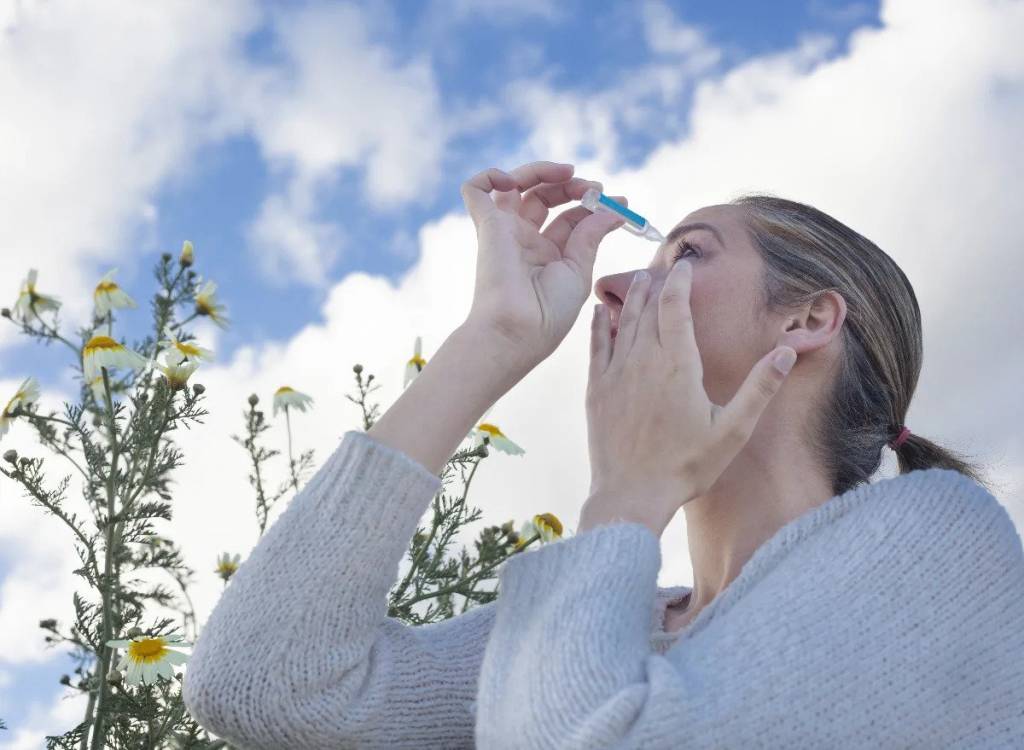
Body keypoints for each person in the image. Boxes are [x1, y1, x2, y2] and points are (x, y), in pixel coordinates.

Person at [183, 161, 1024, 748]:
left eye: (686, 253)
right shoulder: (615, 623)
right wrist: (493, 337)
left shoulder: (942, 540)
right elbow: (263, 685)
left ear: (806, 320)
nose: (613, 287)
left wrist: (628, 492)